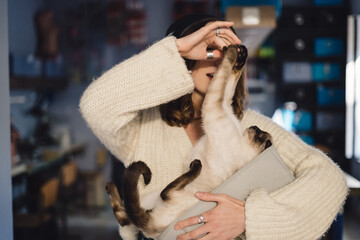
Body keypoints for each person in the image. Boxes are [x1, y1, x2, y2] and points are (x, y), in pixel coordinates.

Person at [79, 14, 348, 240]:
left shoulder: (250, 127)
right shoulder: (142, 128)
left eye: (226, 52)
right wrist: (177, 50)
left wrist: (249, 217)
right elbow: (95, 105)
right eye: (208, 49)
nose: (218, 58)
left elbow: (330, 180)